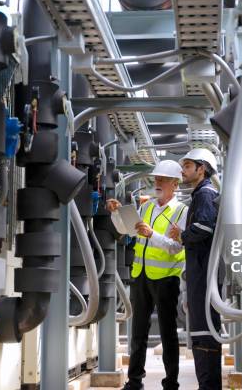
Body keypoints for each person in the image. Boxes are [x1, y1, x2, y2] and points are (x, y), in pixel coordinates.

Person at [106, 160, 188, 390]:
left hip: (166, 278)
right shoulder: (147, 207)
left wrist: (151, 234)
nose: (158, 183)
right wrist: (116, 214)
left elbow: (176, 247)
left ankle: (171, 383)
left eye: (163, 179)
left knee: (168, 332)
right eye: (156, 178)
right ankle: (134, 382)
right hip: (141, 275)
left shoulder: (182, 211)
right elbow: (127, 231)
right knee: (138, 331)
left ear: (175, 183)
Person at [170, 148, 222, 390]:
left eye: (188, 166)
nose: (183, 170)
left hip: (204, 274)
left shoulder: (205, 194)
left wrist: (181, 235)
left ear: (202, 169)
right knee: (202, 330)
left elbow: (204, 229)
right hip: (201, 273)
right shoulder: (202, 194)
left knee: (204, 331)